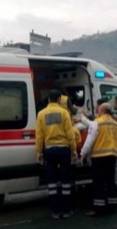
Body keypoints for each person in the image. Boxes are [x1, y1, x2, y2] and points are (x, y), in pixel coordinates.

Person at [36, 89, 78, 219]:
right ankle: (66, 210)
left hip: (49, 150)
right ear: (60, 99)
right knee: (65, 181)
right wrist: (74, 150)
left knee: (52, 182)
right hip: (63, 149)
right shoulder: (64, 113)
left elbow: (39, 136)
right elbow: (70, 134)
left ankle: (55, 211)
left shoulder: (41, 114)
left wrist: (39, 152)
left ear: (48, 99)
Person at [80, 102, 117, 217]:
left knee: (98, 183)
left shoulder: (96, 123)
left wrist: (83, 154)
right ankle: (113, 206)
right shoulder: (115, 124)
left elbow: (89, 141)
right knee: (110, 182)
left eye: (98, 110)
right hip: (112, 156)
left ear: (102, 111)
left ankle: (99, 208)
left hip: (98, 158)